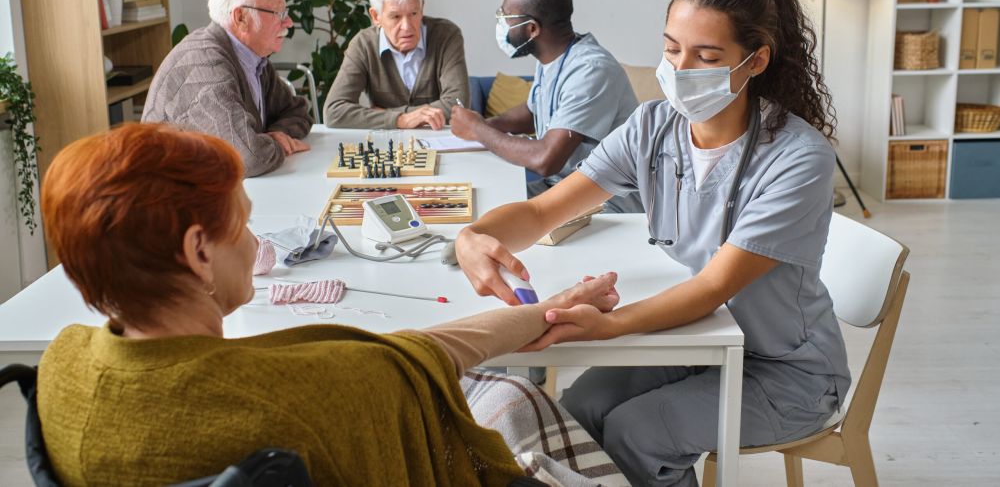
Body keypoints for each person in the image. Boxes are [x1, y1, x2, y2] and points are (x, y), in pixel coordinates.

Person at [36, 122, 621, 486]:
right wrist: (555, 306)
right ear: (198, 252)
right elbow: (414, 358)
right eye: (242, 223)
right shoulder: (308, 396)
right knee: (515, 398)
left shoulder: (60, 371)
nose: (257, 243)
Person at [454, 0, 851, 486]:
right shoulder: (653, 126)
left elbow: (712, 286)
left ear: (754, 61)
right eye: (671, 49)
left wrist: (610, 325)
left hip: (785, 371)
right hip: (703, 341)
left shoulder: (799, 159)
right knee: (578, 410)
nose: (682, 69)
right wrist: (474, 237)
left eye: (706, 57)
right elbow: (541, 211)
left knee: (636, 433)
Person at [450, 0, 641, 213]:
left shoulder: (591, 71)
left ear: (531, 29)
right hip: (562, 189)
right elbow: (532, 112)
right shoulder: (551, 58)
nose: (501, 23)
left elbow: (546, 160)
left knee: (490, 219)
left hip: (605, 204)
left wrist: (478, 130)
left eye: (505, 16)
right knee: (480, 203)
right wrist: (485, 123)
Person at [142, 0, 311, 177]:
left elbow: (297, 112)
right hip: (168, 199)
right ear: (241, 17)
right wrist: (273, 142)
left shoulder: (253, 58)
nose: (289, 22)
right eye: (278, 13)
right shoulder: (205, 64)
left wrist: (275, 135)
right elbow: (248, 158)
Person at [323, 0, 469, 129]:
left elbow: (458, 104)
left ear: (422, 7)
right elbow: (333, 112)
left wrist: (386, 113)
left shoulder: (446, 36)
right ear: (375, 16)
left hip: (439, 140)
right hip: (388, 145)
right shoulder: (363, 44)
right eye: (395, 17)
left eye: (413, 13)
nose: (407, 27)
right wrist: (401, 120)